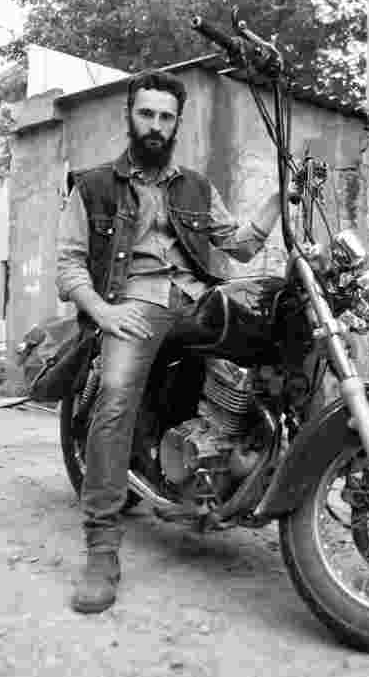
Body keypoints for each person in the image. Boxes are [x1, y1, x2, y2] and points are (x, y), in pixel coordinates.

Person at [56, 70, 283, 614]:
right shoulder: (94, 186)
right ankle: (102, 545)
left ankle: (242, 462)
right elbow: (68, 265)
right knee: (115, 398)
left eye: (165, 117)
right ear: (129, 117)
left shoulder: (195, 187)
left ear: (177, 124)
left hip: (196, 297)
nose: (155, 126)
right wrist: (105, 313)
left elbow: (242, 246)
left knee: (275, 339)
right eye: (146, 114)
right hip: (133, 300)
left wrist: (279, 198)